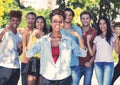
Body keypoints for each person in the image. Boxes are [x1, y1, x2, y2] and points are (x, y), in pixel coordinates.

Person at [26, 8, 87, 85]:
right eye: (55, 21)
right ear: (51, 23)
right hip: (48, 79)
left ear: (63, 23)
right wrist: (31, 37)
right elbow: (29, 53)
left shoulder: (68, 41)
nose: (57, 24)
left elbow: (82, 53)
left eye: (60, 22)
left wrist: (78, 36)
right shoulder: (43, 40)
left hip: (64, 78)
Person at [87, 17, 115, 85]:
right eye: (100, 24)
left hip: (108, 64)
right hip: (98, 64)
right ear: (98, 25)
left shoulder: (112, 36)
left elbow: (117, 51)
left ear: (107, 24)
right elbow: (92, 53)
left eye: (104, 23)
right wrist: (88, 42)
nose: (102, 25)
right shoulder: (97, 38)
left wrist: (116, 40)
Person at [60, 8, 83, 85]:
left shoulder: (78, 30)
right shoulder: (58, 29)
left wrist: (78, 36)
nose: (68, 17)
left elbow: (81, 47)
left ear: (72, 17)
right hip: (61, 65)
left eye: (70, 15)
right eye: (66, 15)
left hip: (74, 64)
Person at [0, 10, 22, 85]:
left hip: (16, 67)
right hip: (4, 66)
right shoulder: (4, 31)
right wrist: (3, 33)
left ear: (20, 21)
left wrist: (20, 48)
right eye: (13, 20)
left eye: (17, 20)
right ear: (10, 20)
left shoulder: (20, 36)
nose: (15, 22)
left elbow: (19, 53)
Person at [26, 16, 48, 85]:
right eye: (38, 22)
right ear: (35, 23)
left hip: (43, 61)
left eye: (41, 22)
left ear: (44, 24)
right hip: (33, 61)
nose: (39, 24)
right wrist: (31, 36)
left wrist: (42, 37)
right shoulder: (32, 34)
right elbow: (29, 50)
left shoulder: (47, 35)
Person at [78, 11, 97, 85]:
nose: (85, 20)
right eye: (83, 18)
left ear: (90, 19)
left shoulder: (95, 33)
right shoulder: (77, 31)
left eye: (87, 18)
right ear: (80, 19)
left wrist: (90, 62)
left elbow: (97, 51)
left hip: (89, 64)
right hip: (77, 64)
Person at [19, 12, 36, 85]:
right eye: (29, 18)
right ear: (26, 19)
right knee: (24, 82)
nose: (30, 20)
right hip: (24, 62)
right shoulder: (21, 30)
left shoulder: (37, 32)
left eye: (32, 19)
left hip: (35, 62)